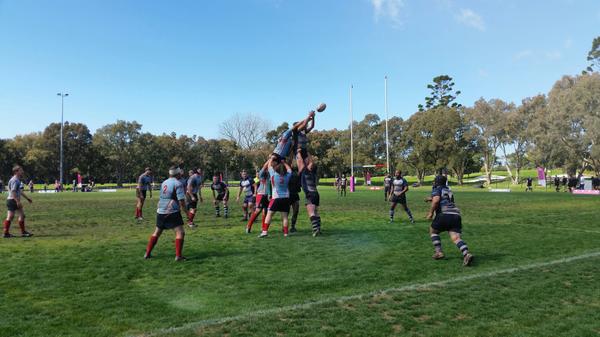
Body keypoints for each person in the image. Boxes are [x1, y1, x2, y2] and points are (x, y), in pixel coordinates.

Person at [425, 175, 474, 266]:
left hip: (444, 213)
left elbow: (436, 200)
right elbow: (444, 198)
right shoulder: (448, 189)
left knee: (433, 231)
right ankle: (466, 254)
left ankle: (439, 252)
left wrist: (430, 213)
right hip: (456, 215)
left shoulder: (437, 189)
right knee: (456, 237)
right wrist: (430, 198)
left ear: (437, 182)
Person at [144, 166, 187, 261]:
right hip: (172, 211)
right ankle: (178, 256)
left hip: (160, 210)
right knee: (180, 232)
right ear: (178, 174)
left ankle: (147, 253)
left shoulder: (164, 182)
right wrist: (187, 212)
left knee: (157, 232)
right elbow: (181, 201)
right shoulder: (178, 183)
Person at [259, 158, 292, 238]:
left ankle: (265, 232)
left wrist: (271, 158)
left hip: (276, 198)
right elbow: (289, 169)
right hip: (286, 198)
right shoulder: (287, 176)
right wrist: (284, 163)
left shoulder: (273, 175)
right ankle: (286, 233)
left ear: (276, 169)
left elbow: (269, 166)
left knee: (269, 215)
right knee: (284, 216)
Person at [296, 150, 322, 236]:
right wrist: (308, 154)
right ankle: (318, 228)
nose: (306, 161)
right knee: (316, 212)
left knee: (311, 213)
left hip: (310, 194)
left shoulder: (306, 172)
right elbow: (311, 162)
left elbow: (300, 162)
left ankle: (315, 230)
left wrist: (299, 152)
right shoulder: (313, 173)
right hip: (316, 194)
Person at [3, 165, 33, 238]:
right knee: (10, 217)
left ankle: (23, 232)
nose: (22, 171)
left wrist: (27, 198)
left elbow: (19, 191)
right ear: (16, 172)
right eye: (21, 170)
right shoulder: (15, 180)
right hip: (12, 200)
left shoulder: (17, 179)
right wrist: (17, 201)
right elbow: (13, 191)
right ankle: (6, 233)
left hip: (14, 200)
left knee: (22, 215)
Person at [246, 163, 270, 234]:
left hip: (267, 195)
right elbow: (255, 184)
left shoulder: (269, 175)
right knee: (257, 211)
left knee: (265, 212)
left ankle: (263, 229)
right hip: (260, 195)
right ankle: (248, 226)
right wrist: (269, 159)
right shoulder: (261, 175)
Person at [288, 168, 302, 233]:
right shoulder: (297, 176)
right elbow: (299, 188)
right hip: (295, 195)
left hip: (287, 195)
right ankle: (293, 226)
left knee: (285, 213)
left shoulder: (287, 175)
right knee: (295, 212)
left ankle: (284, 227)